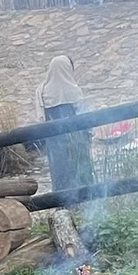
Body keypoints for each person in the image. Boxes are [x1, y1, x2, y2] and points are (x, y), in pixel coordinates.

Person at [34, 55, 94, 196]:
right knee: (80, 170)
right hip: (77, 140)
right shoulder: (73, 91)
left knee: (60, 170)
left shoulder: (41, 92)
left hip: (54, 140)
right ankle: (85, 197)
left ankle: (60, 199)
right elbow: (83, 116)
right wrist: (89, 133)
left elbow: (41, 118)